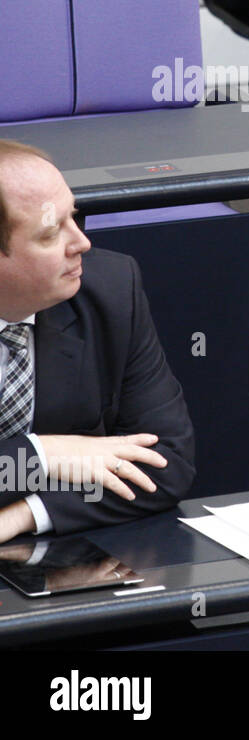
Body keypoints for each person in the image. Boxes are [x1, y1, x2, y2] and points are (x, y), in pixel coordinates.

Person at [0, 141, 195, 544]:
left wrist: (26, 514)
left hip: (54, 559)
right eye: (51, 233)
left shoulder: (110, 290)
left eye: (74, 216)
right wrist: (42, 455)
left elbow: (166, 464)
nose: (81, 243)